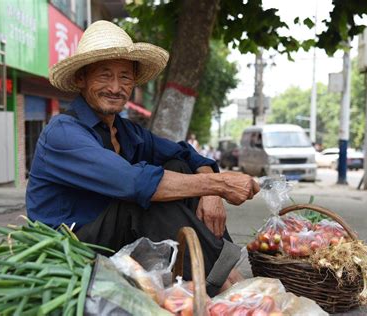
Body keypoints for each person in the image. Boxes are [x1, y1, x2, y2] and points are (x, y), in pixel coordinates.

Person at [26, 20, 259, 296]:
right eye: (104, 76)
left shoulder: (125, 131)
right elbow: (135, 183)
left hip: (112, 238)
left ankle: (222, 274)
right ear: (81, 79)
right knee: (141, 201)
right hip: (71, 247)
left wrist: (211, 190)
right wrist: (220, 185)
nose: (115, 87)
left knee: (178, 167)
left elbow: (185, 153)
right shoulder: (62, 133)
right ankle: (226, 285)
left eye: (124, 77)